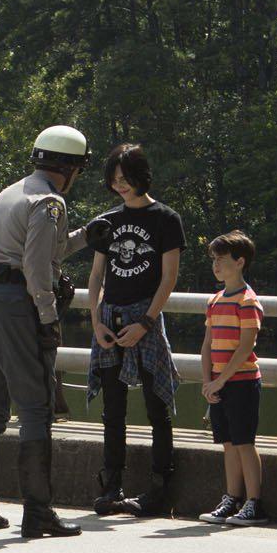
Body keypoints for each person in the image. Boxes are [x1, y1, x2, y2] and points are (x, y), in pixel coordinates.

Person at [0, 123, 86, 540]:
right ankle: (38, 513)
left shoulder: (13, 191)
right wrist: (49, 317)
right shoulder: (50, 201)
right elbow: (37, 268)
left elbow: (37, 248)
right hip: (17, 306)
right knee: (35, 407)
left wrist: (87, 236)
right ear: (70, 167)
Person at [81, 143, 184, 517]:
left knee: (158, 406)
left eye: (125, 179)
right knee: (113, 410)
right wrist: (95, 320)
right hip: (109, 319)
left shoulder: (166, 219)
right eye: (114, 180)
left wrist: (145, 323)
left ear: (141, 176)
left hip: (146, 321)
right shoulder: (107, 221)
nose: (119, 186)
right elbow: (95, 276)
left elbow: (169, 278)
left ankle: (159, 491)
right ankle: (111, 488)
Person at [200, 230, 266, 527]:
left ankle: (254, 503)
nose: (216, 265)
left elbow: (246, 346)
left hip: (241, 381)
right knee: (227, 443)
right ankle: (231, 498)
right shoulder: (214, 300)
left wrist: (221, 380)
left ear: (240, 262)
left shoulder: (247, 301)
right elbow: (207, 344)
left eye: (222, 259)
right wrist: (207, 381)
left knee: (244, 442)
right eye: (214, 259)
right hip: (218, 382)